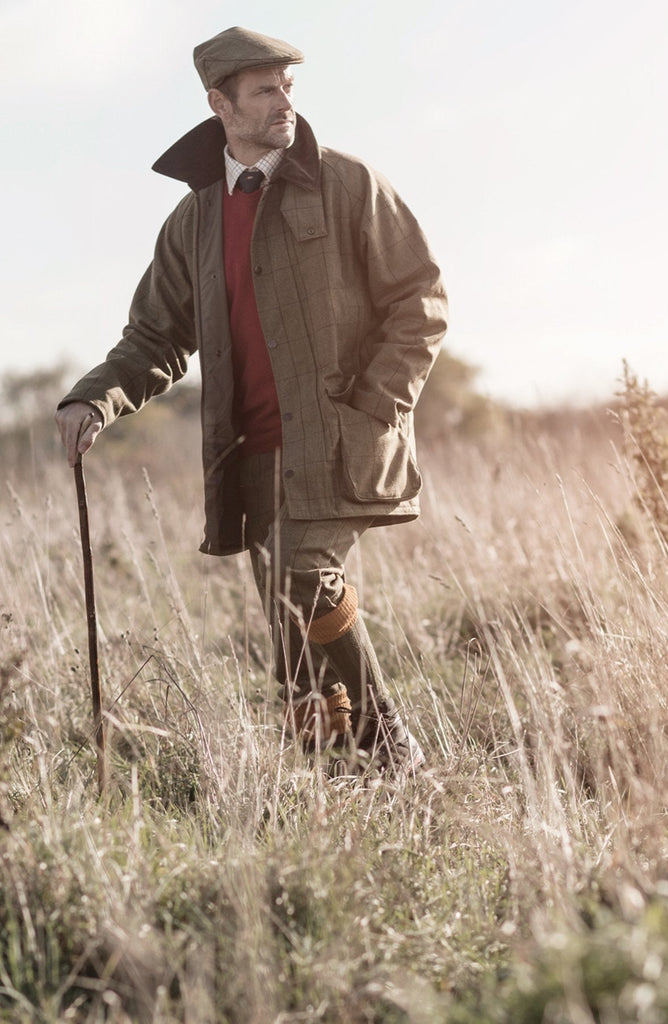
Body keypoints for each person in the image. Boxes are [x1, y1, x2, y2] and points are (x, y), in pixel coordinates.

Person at [55, 26, 448, 775]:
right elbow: (155, 336)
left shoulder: (348, 184)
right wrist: (92, 401)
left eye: (287, 87)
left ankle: (387, 739)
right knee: (285, 617)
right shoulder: (195, 220)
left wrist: (375, 405)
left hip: (339, 440)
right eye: (264, 90)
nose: (283, 103)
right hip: (249, 450)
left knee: (305, 575)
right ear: (219, 104)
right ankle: (332, 767)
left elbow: (419, 298)